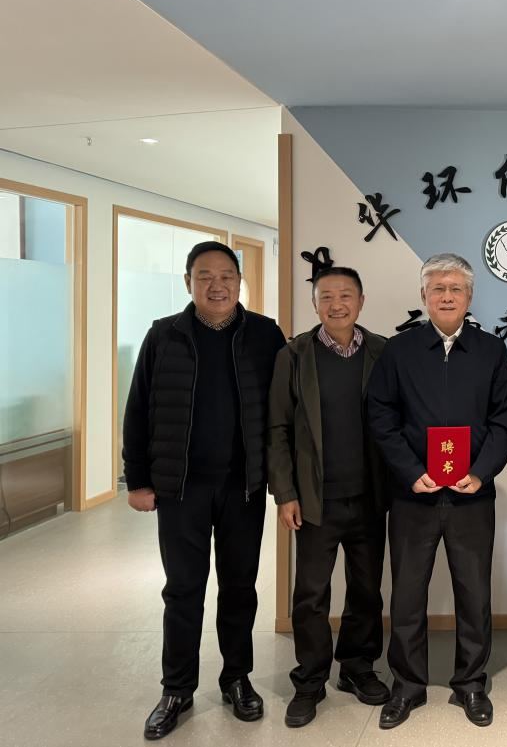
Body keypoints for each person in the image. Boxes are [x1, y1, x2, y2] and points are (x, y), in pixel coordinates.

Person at [123, 241, 285, 741]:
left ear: (240, 281)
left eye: (226, 276)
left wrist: (284, 481)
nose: (217, 285)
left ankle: (237, 678)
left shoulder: (265, 334)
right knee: (183, 590)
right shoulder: (164, 335)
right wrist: (138, 479)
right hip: (180, 488)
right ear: (188, 282)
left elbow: (283, 412)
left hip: (243, 486)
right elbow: (138, 408)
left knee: (239, 588)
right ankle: (177, 689)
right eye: (205, 276)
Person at [367, 253, 507, 729]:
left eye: (455, 289)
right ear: (424, 296)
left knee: (474, 594)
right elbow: (381, 417)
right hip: (414, 495)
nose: (447, 296)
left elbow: (504, 420)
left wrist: (482, 472)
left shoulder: (491, 351)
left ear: (469, 297)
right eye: (438, 288)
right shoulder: (400, 350)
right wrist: (411, 471)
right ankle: (407, 685)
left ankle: (470, 683)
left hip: (472, 495)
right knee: (407, 594)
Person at [267, 266, 389, 727]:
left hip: (370, 496)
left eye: (346, 295)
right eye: (326, 296)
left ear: (361, 301)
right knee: (311, 595)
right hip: (316, 499)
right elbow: (277, 428)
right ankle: (310, 680)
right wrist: (285, 492)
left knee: (366, 590)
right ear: (314, 303)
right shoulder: (294, 354)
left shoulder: (382, 351)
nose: (337, 304)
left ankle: (357, 667)